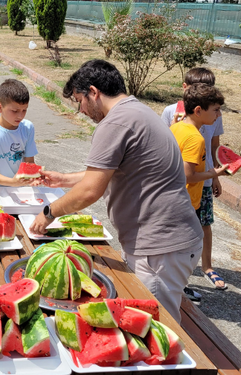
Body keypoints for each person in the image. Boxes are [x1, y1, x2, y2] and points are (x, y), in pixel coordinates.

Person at [29, 59, 204, 323]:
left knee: (155, 326)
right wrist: (63, 179)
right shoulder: (137, 111)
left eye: (80, 101)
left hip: (159, 248)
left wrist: (48, 212)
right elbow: (115, 171)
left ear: (94, 92)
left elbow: (91, 191)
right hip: (172, 241)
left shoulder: (115, 123)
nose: (81, 110)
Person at [161, 68, 228, 294]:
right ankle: (177, 287)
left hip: (172, 197)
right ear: (199, 110)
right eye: (216, 110)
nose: (219, 115)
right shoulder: (195, 137)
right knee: (186, 247)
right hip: (185, 201)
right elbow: (188, 175)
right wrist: (215, 174)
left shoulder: (178, 126)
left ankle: (172, 285)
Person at [0, 79, 38, 195]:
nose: (20, 116)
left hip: (20, 191)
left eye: (24, 110)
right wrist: (13, 182)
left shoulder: (28, 127)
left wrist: (34, 176)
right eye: (14, 111)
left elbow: (30, 162)